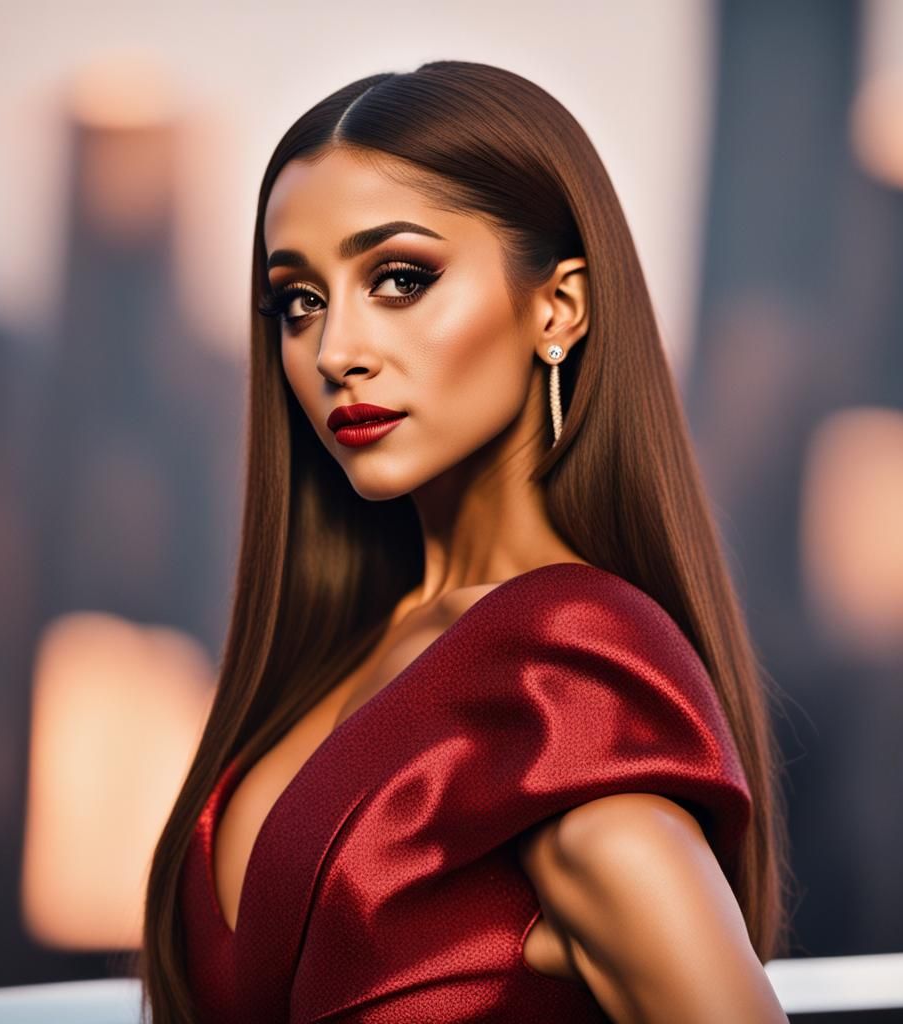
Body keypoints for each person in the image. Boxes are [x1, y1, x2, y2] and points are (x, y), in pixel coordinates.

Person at [137, 60, 793, 1023]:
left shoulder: (566, 682)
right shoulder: (352, 643)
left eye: (400, 279)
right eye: (300, 301)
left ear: (557, 307)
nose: (334, 352)